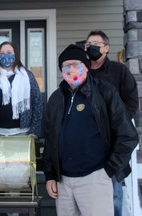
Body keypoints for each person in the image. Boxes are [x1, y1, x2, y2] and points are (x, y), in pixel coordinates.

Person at [42, 44, 139, 216]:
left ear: (86, 67)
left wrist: (109, 170)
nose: (71, 69)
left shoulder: (105, 92)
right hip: (63, 182)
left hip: (95, 178)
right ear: (61, 70)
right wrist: (50, 174)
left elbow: (128, 135)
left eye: (76, 64)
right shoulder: (55, 99)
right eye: (66, 65)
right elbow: (50, 139)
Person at [85, 30, 139, 216]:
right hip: (87, 141)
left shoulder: (119, 71)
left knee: (113, 191)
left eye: (96, 44)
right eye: (88, 45)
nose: (91, 48)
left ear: (106, 48)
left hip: (113, 141)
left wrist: (116, 124)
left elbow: (132, 103)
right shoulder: (81, 72)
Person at [0, 41, 43, 137]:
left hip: (21, 134)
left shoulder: (27, 76)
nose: (6, 56)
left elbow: (37, 103)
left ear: (16, 54)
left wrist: (34, 131)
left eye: (9, 52)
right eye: (2, 53)